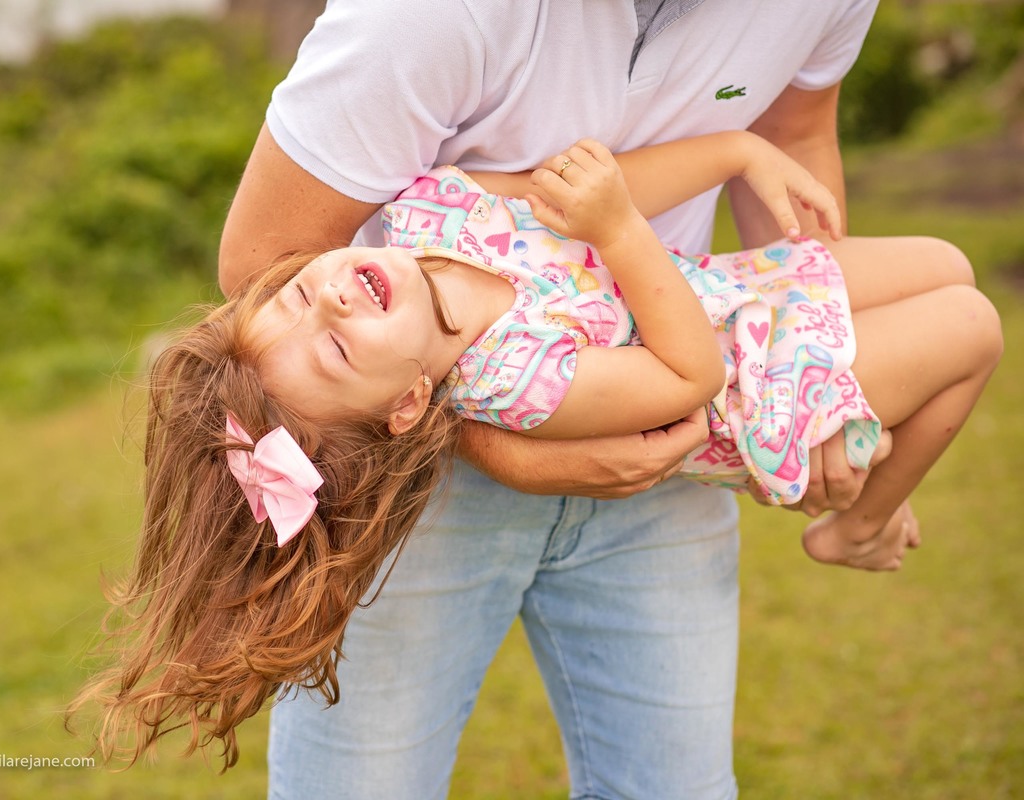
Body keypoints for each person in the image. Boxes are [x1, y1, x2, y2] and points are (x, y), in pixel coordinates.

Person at [69, 133, 1001, 777]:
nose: (335, 305)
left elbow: (583, 190)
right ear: (405, 405)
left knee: (947, 261)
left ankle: (876, 464)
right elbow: (687, 372)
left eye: (300, 300)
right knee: (974, 324)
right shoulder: (510, 381)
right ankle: (863, 519)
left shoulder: (429, 213)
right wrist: (621, 233)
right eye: (339, 350)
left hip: (737, 290)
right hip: (753, 386)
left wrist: (737, 152)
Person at [220, 3, 890, 797]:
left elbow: (797, 134)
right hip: (410, 477)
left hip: (660, 456)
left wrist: (856, 402)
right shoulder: (425, 19)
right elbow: (262, 267)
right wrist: (495, 443)